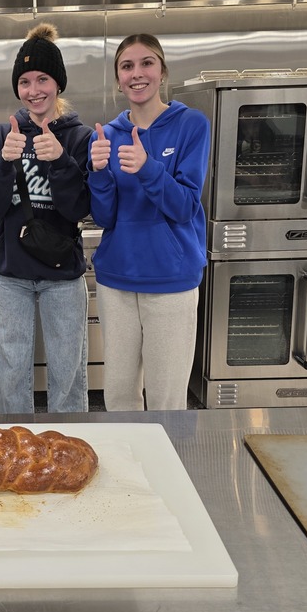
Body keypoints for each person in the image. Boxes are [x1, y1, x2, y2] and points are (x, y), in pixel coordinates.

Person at [0, 22, 93, 415]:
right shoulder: (0, 136)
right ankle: (13, 450)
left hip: (63, 275)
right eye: (25, 81)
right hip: (11, 276)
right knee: (10, 372)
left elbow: (81, 208)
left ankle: (70, 447)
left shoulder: (79, 137)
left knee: (68, 373)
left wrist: (59, 160)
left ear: (58, 84)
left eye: (43, 79)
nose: (34, 90)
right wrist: (4, 163)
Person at [88, 33, 210, 411]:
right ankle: (130, 468)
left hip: (171, 280)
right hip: (117, 280)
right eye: (127, 66)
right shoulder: (107, 135)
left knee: (167, 398)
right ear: (118, 78)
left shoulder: (191, 125)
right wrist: (97, 173)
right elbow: (105, 216)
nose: (137, 74)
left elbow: (185, 206)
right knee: (120, 395)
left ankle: (165, 468)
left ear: (162, 72)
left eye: (146, 63)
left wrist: (148, 169)